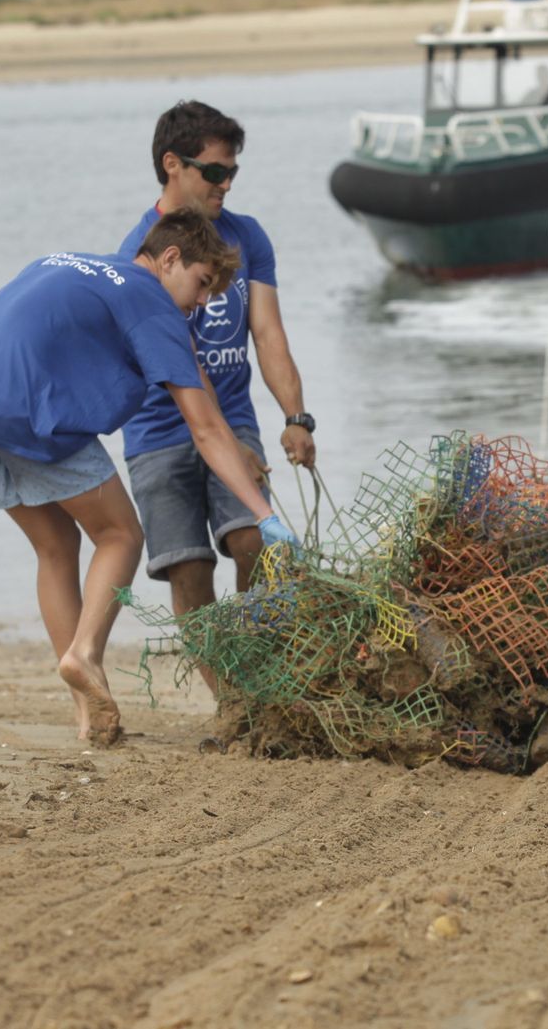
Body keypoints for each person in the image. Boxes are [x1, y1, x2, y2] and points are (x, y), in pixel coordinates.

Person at [0, 209, 297, 747]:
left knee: (55, 546)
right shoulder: (152, 302)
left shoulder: (58, 261)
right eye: (202, 283)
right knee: (121, 535)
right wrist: (264, 514)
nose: (203, 302)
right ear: (168, 259)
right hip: (28, 413)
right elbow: (206, 428)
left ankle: (89, 716)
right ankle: (84, 654)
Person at [115, 100, 316, 732]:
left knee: (254, 540)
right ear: (172, 166)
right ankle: (234, 704)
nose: (226, 185)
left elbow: (269, 333)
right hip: (160, 432)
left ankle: (255, 670)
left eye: (233, 172)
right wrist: (227, 441)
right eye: (213, 173)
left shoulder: (247, 237)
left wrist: (296, 417)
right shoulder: (142, 253)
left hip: (233, 419)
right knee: (190, 568)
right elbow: (184, 371)